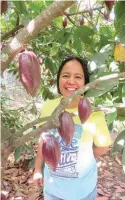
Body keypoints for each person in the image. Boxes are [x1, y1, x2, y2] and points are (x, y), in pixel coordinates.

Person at [33, 56, 112, 200]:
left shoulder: (94, 113)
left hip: (83, 191)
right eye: (65, 76)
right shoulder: (49, 107)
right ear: (58, 80)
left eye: (78, 77)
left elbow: (103, 147)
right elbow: (43, 141)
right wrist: (38, 169)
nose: (71, 81)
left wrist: (84, 158)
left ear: (85, 83)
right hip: (53, 189)